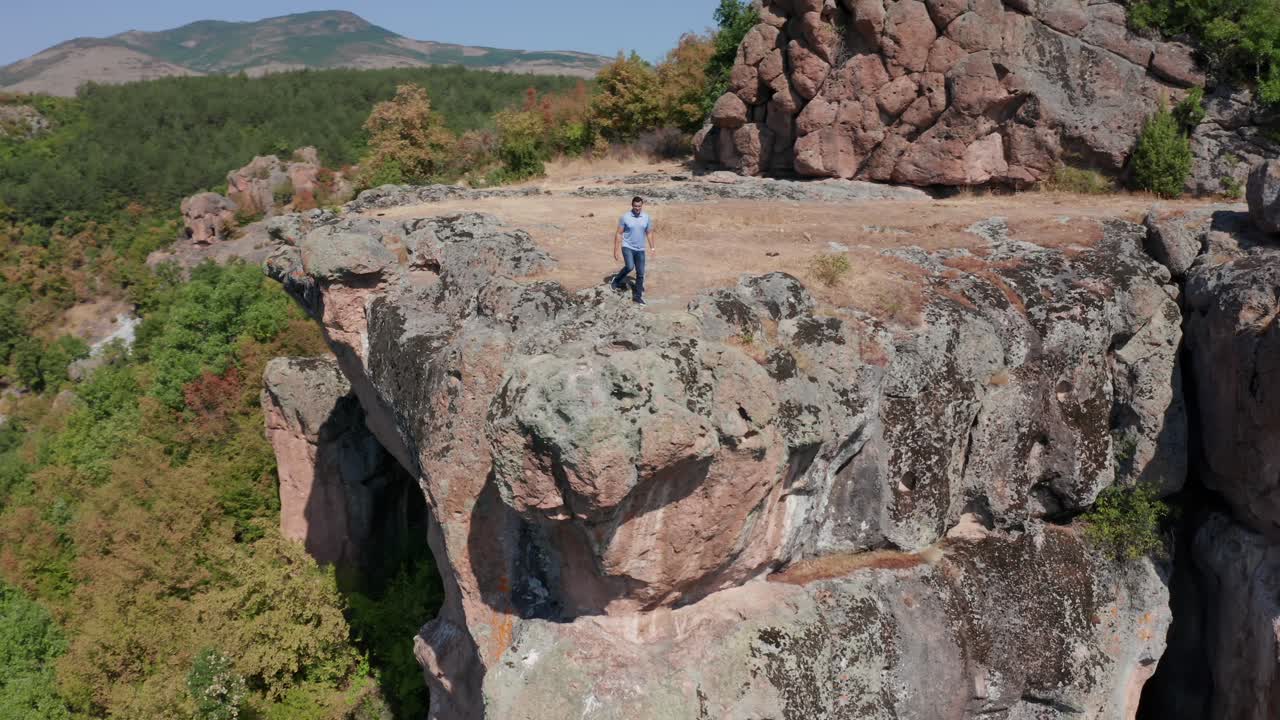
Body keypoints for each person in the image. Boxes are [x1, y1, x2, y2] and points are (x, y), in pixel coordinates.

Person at [611, 196, 656, 305]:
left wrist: (652, 247)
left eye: (639, 206)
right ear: (632, 205)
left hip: (640, 248)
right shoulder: (625, 217)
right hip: (627, 246)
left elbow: (649, 233)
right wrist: (616, 250)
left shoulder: (646, 217)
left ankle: (637, 296)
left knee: (640, 273)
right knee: (630, 266)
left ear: (642, 206)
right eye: (635, 206)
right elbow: (619, 233)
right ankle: (616, 280)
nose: (637, 208)